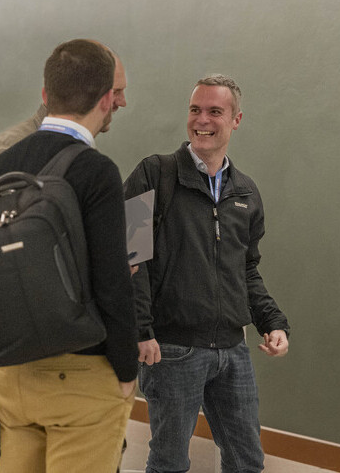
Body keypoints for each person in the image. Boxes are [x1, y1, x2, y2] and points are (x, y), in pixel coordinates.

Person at [0, 39, 138, 473]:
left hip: (13, 378)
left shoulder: (0, 164)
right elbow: (113, 284)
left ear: (45, 94)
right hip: (82, 377)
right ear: (105, 99)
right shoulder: (96, 172)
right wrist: (126, 370)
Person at [124, 74, 290, 473]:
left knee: (247, 462)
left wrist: (272, 322)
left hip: (233, 351)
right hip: (171, 350)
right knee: (169, 463)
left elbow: (247, 269)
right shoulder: (153, 174)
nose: (202, 120)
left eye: (215, 111)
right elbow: (129, 257)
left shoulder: (246, 192)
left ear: (236, 120)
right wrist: (141, 329)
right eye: (195, 110)